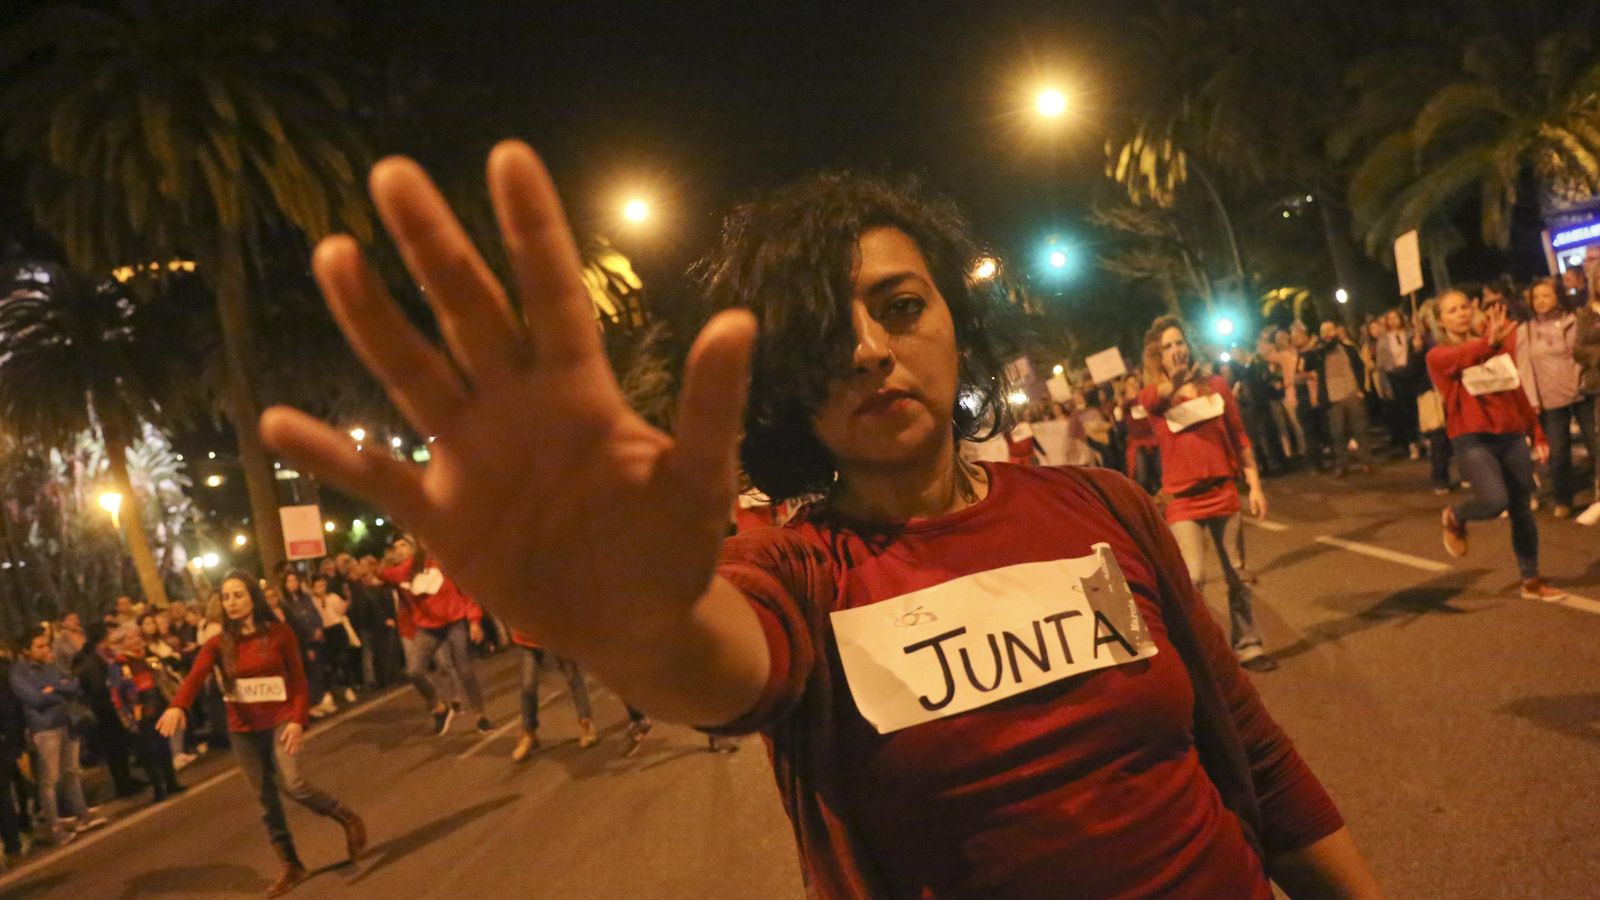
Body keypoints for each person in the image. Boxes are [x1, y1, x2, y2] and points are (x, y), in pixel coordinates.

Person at [259, 148, 1379, 897]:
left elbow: (1263, 769)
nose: (864, 348)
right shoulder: (797, 569)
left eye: (899, 307)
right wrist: (628, 620)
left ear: (955, 321)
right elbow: (721, 664)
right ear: (785, 382)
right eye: (821, 332)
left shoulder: (1102, 506)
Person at [160, 572, 366, 896]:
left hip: (281, 718)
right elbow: (196, 676)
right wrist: (178, 707)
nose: (232, 603)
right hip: (243, 729)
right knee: (265, 799)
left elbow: (298, 680)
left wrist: (298, 720)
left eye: (238, 595)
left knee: (293, 783)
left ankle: (346, 817)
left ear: (252, 598)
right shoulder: (218, 643)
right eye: (226, 597)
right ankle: (291, 865)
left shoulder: (280, 633)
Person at [1140, 317, 1277, 673]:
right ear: (1158, 355)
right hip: (1182, 501)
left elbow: (1239, 436)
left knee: (1238, 574)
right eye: (1167, 347)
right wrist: (1176, 383)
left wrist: (1255, 486)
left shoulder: (1216, 386)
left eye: (1180, 342)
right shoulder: (1153, 395)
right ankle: (1200, 655)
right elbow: (1155, 401)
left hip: (1222, 493)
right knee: (1194, 577)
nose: (1176, 350)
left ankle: (1249, 644)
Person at [1428, 290, 1564, 601]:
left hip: (1511, 435)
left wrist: (1537, 431)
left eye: (1464, 306)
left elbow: (1515, 390)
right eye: (1452, 310)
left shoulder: (1495, 345)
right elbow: (1462, 358)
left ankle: (1531, 579)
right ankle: (1457, 516)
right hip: (1472, 439)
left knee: (1522, 510)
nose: (1461, 313)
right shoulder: (1438, 356)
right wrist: (1490, 343)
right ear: (1440, 320)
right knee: (1495, 501)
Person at [380, 536, 491, 736]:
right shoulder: (401, 573)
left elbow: (466, 589)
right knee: (414, 671)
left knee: (464, 669)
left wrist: (474, 620)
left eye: (404, 545)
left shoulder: (440, 561)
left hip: (453, 621)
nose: (400, 550)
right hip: (428, 627)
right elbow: (383, 575)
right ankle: (439, 708)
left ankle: (480, 715)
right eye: (396, 547)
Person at [10, 625, 108, 844]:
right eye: (40, 646)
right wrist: (59, 691)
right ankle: (55, 827)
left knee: (71, 772)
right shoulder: (20, 672)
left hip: (67, 722)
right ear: (26, 650)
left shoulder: (50, 666)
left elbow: (74, 685)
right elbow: (34, 699)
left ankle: (82, 815)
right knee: (49, 780)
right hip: (45, 728)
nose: (46, 649)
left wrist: (53, 689)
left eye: (46, 644)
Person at [1511, 277, 1592, 518]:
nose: (1540, 301)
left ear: (1558, 296)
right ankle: (1563, 499)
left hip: (1581, 393)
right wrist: (1532, 401)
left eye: (1546, 295)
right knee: (1558, 454)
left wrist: (1583, 381)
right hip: (1550, 400)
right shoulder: (1525, 330)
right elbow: (1524, 368)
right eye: (1536, 297)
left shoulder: (1575, 320)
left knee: (1595, 444)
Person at [107, 624, 184, 802]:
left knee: (163, 744)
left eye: (137, 637)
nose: (136, 641)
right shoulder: (118, 665)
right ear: (121, 643)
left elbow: (160, 672)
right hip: (138, 710)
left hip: (156, 704)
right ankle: (159, 787)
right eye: (130, 638)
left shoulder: (147, 656)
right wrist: (126, 715)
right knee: (148, 751)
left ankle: (171, 781)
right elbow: (117, 692)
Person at [509, 630, 597, 761]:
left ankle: (586, 723)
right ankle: (529, 732)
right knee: (528, 685)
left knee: (572, 675)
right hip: (528, 638)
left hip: (556, 634)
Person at [1304, 320, 1373, 477]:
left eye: (1330, 330)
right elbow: (1306, 364)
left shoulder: (1348, 349)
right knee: (1337, 433)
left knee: (1360, 430)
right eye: (1324, 331)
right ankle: (1342, 464)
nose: (1328, 334)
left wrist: (1361, 389)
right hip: (1332, 398)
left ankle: (1366, 461)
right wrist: (1313, 345)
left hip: (1352, 393)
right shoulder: (1319, 353)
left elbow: (1360, 368)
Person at [277, 573, 335, 718]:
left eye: (295, 580)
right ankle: (311, 704)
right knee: (308, 673)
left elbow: (315, 614)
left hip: (315, 638)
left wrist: (318, 628)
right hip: (303, 642)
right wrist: (306, 642)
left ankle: (320, 700)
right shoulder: (285, 604)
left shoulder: (305, 598)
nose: (293, 583)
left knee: (318, 671)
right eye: (289, 581)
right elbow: (295, 626)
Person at [309, 577, 360, 704]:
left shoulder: (333, 597)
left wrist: (348, 598)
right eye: (318, 586)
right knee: (328, 664)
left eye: (323, 585)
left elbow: (342, 610)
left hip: (337, 629)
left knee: (344, 659)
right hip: (325, 631)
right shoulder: (312, 601)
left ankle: (348, 688)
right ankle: (329, 692)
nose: (322, 588)